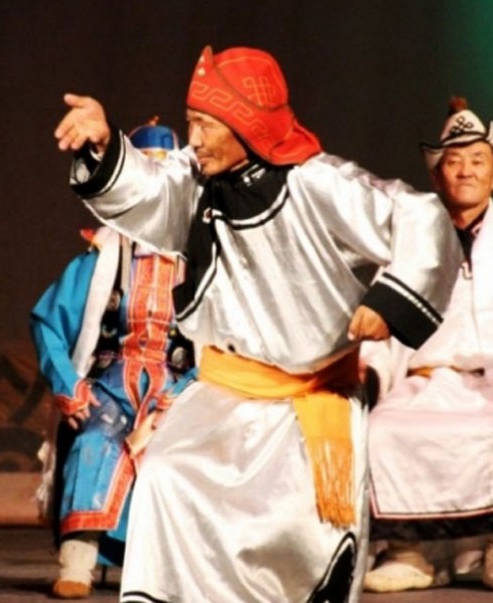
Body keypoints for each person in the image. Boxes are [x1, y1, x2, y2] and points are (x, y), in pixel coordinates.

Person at [53, 45, 462, 602]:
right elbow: (149, 189)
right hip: (224, 393)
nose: (193, 139)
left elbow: (420, 215)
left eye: (204, 125)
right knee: (167, 476)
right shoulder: (195, 179)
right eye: (190, 122)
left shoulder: (319, 183)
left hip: (307, 403)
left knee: (294, 535)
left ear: (245, 124)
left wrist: (389, 302)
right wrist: (105, 146)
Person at [362, 98, 493, 593]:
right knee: (384, 430)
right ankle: (409, 554)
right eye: (453, 162)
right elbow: (381, 321)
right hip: (424, 384)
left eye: (478, 161)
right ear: (437, 178)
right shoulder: (409, 243)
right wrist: (368, 372)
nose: (465, 171)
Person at [32, 120, 196, 599]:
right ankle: (78, 561)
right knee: (96, 440)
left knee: (179, 457)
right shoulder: (104, 255)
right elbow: (48, 322)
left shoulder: (199, 260)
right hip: (110, 383)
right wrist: (69, 385)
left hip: (181, 389)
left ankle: (166, 572)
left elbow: (221, 341)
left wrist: (189, 392)